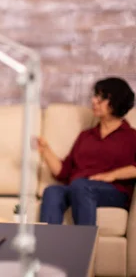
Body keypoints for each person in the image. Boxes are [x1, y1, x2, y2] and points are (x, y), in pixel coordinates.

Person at [37, 77, 136, 225]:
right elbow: (64, 172)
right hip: (79, 187)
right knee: (52, 191)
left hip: (112, 191)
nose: (94, 101)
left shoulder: (131, 136)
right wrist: (45, 150)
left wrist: (111, 175)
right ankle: (46, 246)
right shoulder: (86, 136)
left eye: (101, 98)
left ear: (117, 101)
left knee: (81, 186)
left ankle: (84, 244)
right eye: (95, 96)